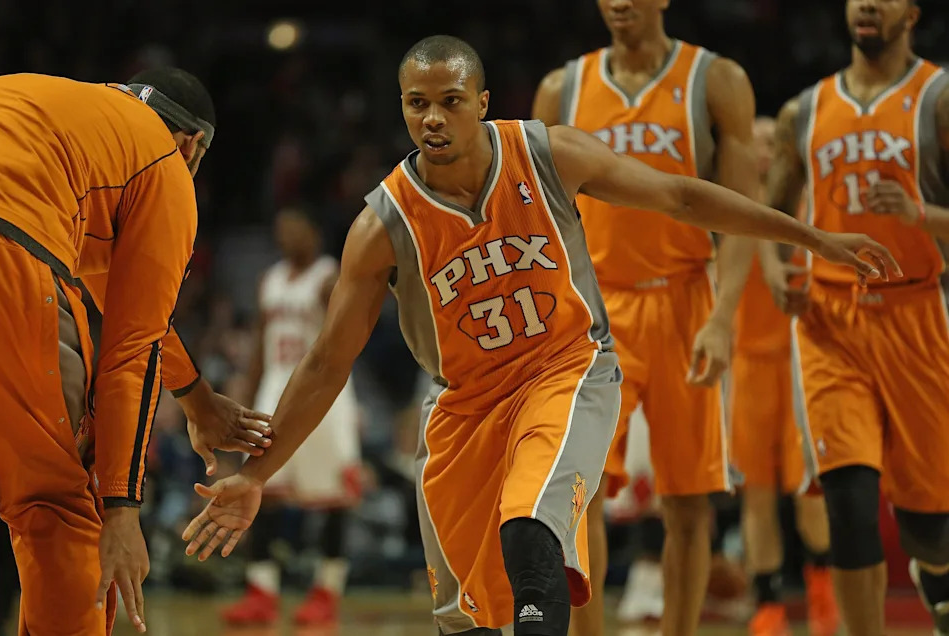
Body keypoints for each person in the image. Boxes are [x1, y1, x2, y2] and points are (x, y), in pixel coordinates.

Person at [183, 35, 896, 636]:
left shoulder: (548, 153)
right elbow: (326, 361)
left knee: (530, 528)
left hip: (566, 370)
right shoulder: (383, 224)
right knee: (464, 616)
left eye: (449, 102)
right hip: (463, 406)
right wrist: (255, 475)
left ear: (483, 104)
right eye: (416, 103)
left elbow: (679, 196)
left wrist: (809, 236)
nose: (432, 118)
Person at [0, 68, 271, 636]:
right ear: (192, 146)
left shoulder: (65, 119)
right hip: (5, 257)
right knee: (54, 502)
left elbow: (119, 301)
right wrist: (120, 508)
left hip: (13, 232)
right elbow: (133, 347)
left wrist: (194, 399)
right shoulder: (164, 163)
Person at [531, 0, 760, 632]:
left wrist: (723, 317)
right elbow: (535, 215)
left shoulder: (715, 80)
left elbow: (740, 210)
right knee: (582, 496)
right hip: (594, 310)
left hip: (686, 298)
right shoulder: (563, 87)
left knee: (687, 503)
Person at [761, 0, 949, 633]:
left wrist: (921, 215)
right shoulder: (803, 111)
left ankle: (937, 572)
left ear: (913, 12)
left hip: (920, 314)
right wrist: (775, 269)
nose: (866, 3)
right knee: (848, 503)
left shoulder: (939, 99)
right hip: (831, 321)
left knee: (930, 531)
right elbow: (770, 216)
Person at [221, 204, 361, 626]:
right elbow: (261, 347)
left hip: (323, 398)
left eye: (294, 228)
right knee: (259, 491)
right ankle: (261, 591)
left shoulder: (330, 278)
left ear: (314, 232)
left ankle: (326, 591)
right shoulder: (271, 280)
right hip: (273, 393)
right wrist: (245, 398)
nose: (286, 237)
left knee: (333, 501)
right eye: (280, 230)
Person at [730, 117, 837, 636]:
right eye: (755, 144)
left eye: (773, 143)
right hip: (747, 365)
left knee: (809, 489)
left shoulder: (807, 208)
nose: (765, 152)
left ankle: (822, 588)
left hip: (801, 359)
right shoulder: (724, 207)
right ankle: (768, 603)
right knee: (756, 493)